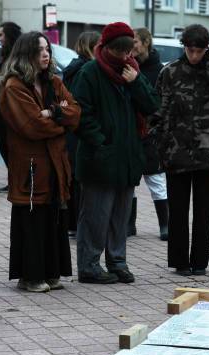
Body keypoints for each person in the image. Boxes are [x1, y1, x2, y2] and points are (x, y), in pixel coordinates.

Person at [72, 23, 159, 284]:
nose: (124, 57)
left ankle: (117, 262)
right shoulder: (90, 72)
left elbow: (152, 105)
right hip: (100, 157)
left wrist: (136, 84)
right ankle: (89, 266)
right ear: (106, 48)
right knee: (95, 216)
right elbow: (81, 114)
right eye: (119, 53)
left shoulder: (132, 71)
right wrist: (101, 143)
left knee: (120, 215)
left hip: (127, 156)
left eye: (127, 52)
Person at [0, 31, 81, 292]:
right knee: (33, 220)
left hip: (55, 164)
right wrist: (61, 123)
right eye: (39, 50)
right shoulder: (13, 86)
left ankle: (51, 272)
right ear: (26, 55)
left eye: (47, 49)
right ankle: (30, 276)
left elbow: (75, 112)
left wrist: (54, 112)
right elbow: (32, 125)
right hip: (31, 167)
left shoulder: (53, 83)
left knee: (53, 219)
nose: (46, 54)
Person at [154, 24, 209, 275]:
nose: (195, 56)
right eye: (190, 50)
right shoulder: (170, 72)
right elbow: (159, 109)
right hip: (176, 151)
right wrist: (160, 142)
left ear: (206, 48)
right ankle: (180, 262)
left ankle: (200, 262)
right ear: (184, 47)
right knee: (177, 211)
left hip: (208, 153)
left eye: (199, 51)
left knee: (203, 212)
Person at [129, 27, 168, 241]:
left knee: (156, 180)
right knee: (130, 180)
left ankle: (165, 224)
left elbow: (160, 103)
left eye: (134, 41)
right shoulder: (126, 66)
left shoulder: (159, 70)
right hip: (131, 131)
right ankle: (129, 225)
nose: (131, 46)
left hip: (151, 132)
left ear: (145, 42)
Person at [62, 30, 100, 239]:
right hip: (79, 129)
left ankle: (71, 222)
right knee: (79, 178)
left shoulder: (72, 67)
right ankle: (77, 223)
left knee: (73, 177)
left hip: (70, 130)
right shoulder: (86, 69)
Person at [0, 21, 22, 193]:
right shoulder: (6, 55)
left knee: (11, 147)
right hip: (1, 107)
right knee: (4, 146)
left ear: (9, 36)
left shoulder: (17, 57)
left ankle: (17, 182)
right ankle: (14, 181)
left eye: (1, 35)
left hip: (10, 109)